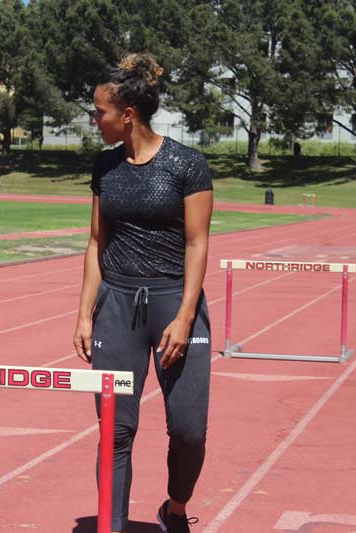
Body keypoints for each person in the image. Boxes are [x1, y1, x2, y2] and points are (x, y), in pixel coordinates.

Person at [73, 53, 213, 533]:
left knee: (189, 431)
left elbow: (197, 243)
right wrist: (84, 314)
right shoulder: (104, 166)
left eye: (100, 113)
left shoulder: (186, 164)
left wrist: (185, 314)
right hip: (116, 304)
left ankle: (175, 507)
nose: (95, 120)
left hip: (176, 301)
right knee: (115, 430)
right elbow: (96, 242)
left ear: (127, 115)